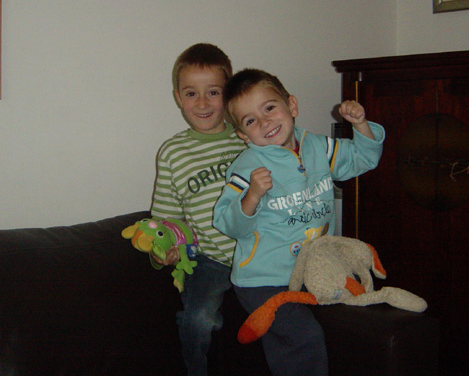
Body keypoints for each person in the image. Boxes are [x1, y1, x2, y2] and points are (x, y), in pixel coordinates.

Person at [213, 68, 385, 376]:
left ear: (291, 106)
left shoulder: (317, 146)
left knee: (357, 318)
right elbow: (228, 224)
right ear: (242, 134)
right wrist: (252, 195)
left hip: (312, 269)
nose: (265, 122)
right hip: (263, 280)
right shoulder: (248, 167)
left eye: (269, 108)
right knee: (303, 338)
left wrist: (360, 124)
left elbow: (363, 158)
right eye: (251, 120)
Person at [150, 43, 247, 376]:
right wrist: (164, 251)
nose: (202, 103)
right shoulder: (173, 153)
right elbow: (165, 220)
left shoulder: (247, 138)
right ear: (178, 97)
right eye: (192, 93)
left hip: (259, 251)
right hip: (209, 258)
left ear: (228, 94)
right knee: (199, 318)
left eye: (213, 92)